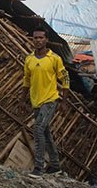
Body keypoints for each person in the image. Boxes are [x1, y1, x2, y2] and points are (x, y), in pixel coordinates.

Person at [22, 26, 70, 178]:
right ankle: (55, 165)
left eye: (41, 37)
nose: (38, 40)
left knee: (37, 129)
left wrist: (64, 102)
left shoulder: (54, 58)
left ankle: (39, 168)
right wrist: (22, 100)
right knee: (45, 133)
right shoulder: (29, 59)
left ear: (46, 40)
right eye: (35, 38)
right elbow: (26, 81)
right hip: (36, 101)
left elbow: (65, 79)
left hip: (50, 100)